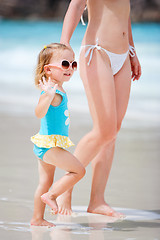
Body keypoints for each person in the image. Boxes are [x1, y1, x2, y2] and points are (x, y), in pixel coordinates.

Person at [57, 0, 141, 217]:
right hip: (97, 51)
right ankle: (65, 187)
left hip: (123, 54)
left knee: (112, 131)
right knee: (104, 130)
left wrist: (132, 50)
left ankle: (97, 200)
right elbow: (76, 5)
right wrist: (64, 43)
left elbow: (124, 12)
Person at [30, 43, 85, 227]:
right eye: (65, 64)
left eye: (73, 64)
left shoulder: (57, 88)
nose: (70, 68)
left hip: (47, 144)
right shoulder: (51, 91)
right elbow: (38, 112)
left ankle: (37, 219)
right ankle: (52, 196)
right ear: (48, 69)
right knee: (79, 171)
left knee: (44, 182)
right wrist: (47, 96)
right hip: (49, 147)